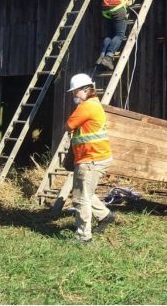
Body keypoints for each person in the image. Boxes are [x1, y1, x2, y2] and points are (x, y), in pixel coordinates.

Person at [64, 73, 115, 242]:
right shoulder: (94, 104)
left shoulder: (86, 107)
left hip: (90, 159)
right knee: (86, 192)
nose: (73, 95)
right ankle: (105, 215)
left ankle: (83, 236)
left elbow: (68, 125)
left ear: (86, 90)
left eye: (75, 91)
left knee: (80, 198)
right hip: (95, 157)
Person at [97, 0, 160, 70]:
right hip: (117, 8)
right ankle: (108, 57)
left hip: (106, 9)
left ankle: (102, 56)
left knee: (109, 35)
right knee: (120, 35)